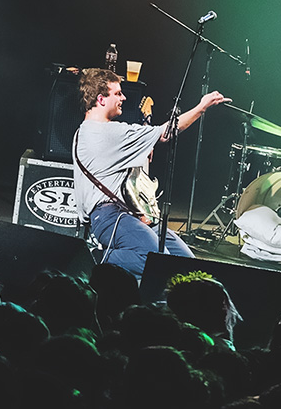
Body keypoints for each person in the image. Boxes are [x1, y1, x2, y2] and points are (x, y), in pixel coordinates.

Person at [72, 67, 228, 279]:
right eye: (117, 93)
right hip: (109, 217)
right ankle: (99, 259)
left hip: (132, 214)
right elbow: (166, 132)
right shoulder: (108, 132)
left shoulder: (86, 131)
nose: (124, 97)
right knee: (157, 261)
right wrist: (201, 107)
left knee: (186, 264)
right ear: (100, 99)